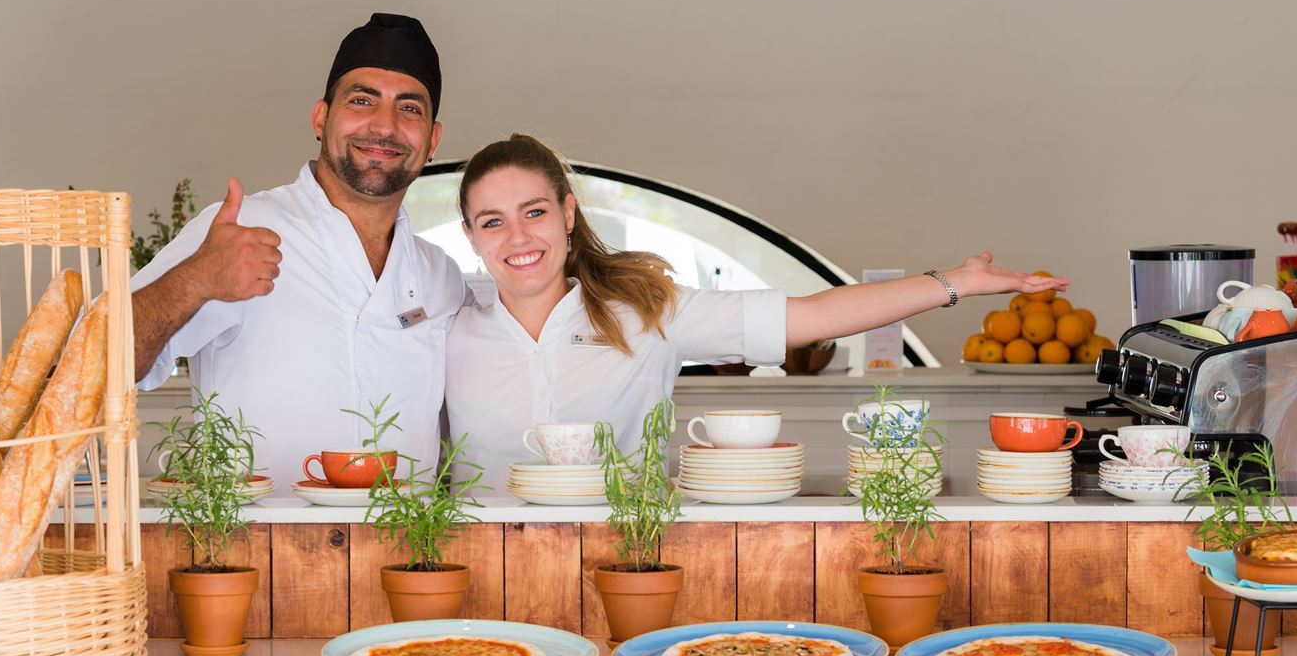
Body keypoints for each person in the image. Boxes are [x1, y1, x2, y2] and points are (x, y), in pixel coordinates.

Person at [445, 133, 1067, 478]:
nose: (519, 239)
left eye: (534, 213)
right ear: (471, 237)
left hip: (627, 559)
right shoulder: (446, 326)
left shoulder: (646, 310)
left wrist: (954, 281)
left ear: (568, 214)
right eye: (493, 222)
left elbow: (815, 316)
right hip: (484, 566)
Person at [131, 14, 466, 488]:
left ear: (432, 140)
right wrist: (195, 280)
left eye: (409, 109)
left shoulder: (442, 276)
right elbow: (95, 368)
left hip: (405, 554)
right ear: (320, 118)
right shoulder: (239, 228)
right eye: (361, 100)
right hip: (255, 552)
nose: (384, 126)